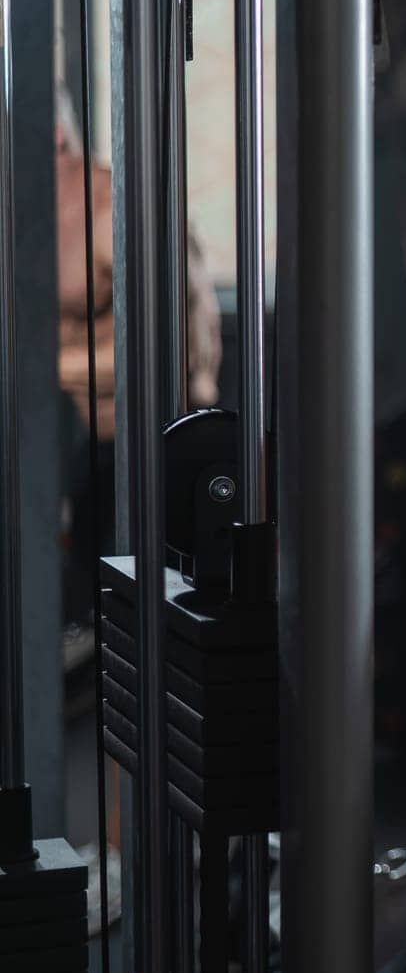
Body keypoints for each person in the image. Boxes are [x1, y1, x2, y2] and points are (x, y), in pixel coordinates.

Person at [56, 87, 222, 632]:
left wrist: (50, 369)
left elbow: (172, 352)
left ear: (54, 139)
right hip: (99, 444)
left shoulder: (110, 210)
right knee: (84, 605)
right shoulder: (34, 219)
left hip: (169, 444)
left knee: (138, 623)